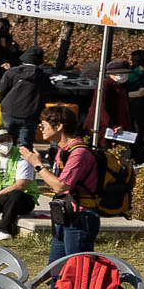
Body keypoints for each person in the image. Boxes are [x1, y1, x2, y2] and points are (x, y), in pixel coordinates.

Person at [28, 107, 103, 260]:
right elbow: (55, 184)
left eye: (44, 125)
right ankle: (56, 285)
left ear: (59, 126)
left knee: (76, 269)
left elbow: (61, 186)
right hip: (64, 215)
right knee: (56, 271)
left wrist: (37, 165)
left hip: (80, 218)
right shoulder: (63, 150)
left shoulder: (79, 152)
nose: (40, 129)